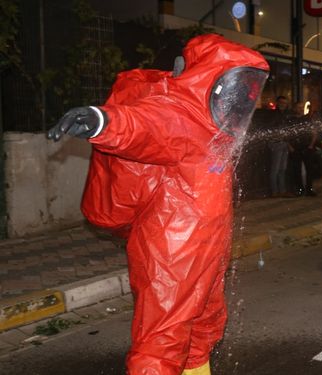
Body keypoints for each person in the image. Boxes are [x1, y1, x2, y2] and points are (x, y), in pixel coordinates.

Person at [47, 34, 269, 375]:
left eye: (248, 89)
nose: (243, 100)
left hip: (205, 247)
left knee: (204, 326)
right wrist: (102, 121)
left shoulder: (215, 128)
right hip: (172, 251)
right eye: (239, 87)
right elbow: (144, 126)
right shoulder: (185, 117)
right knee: (161, 342)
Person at [289, 101, 319, 196]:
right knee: (296, 170)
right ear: (295, 108)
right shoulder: (291, 120)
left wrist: (311, 145)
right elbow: (287, 134)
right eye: (298, 107)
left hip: (307, 147)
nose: (301, 109)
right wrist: (290, 147)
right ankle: (300, 189)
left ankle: (309, 189)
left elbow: (314, 132)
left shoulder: (308, 119)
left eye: (302, 107)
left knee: (309, 169)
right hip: (296, 148)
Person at [268, 95, 294, 198]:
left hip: (283, 143)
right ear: (277, 103)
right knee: (276, 169)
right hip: (276, 143)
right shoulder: (274, 115)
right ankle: (275, 191)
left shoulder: (285, 115)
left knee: (282, 169)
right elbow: (272, 128)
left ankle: (281, 190)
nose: (283, 105)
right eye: (281, 103)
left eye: (285, 103)